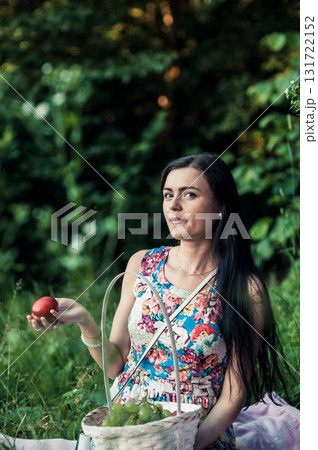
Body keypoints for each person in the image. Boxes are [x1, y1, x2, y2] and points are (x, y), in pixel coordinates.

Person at [27, 153, 290, 449]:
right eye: (168, 195)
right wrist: (86, 322)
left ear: (219, 207)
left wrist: (187, 444)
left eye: (189, 194)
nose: (174, 206)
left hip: (195, 432)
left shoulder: (243, 287)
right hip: (126, 424)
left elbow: (234, 394)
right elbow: (116, 366)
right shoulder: (142, 264)